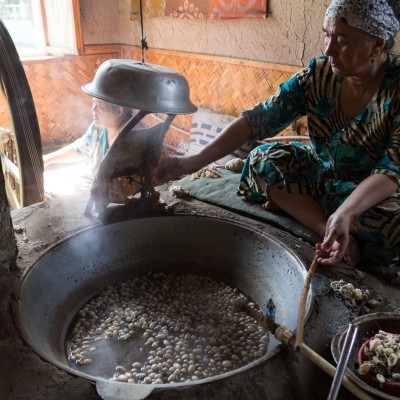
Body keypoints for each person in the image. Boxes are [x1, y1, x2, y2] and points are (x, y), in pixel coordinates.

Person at [156, 0, 400, 280]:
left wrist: (346, 212)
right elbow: (257, 119)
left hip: (373, 195)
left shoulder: (396, 88)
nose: (328, 50)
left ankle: (305, 208)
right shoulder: (318, 75)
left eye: (342, 41)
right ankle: (325, 228)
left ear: (377, 45)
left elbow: (391, 171)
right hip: (324, 178)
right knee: (263, 160)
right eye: (326, 35)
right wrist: (192, 161)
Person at [43, 98, 136, 178]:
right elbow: (80, 149)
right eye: (93, 103)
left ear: (119, 111)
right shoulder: (98, 128)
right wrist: (48, 159)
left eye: (99, 106)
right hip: (97, 182)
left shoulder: (136, 137)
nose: (93, 109)